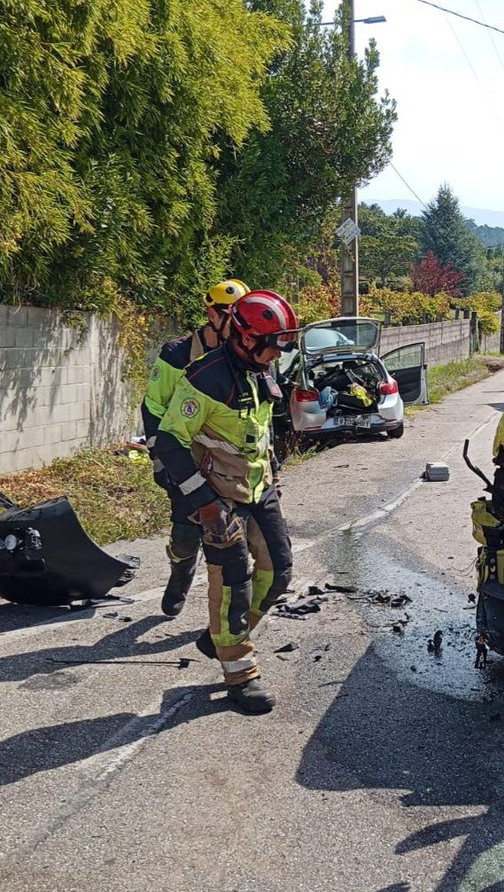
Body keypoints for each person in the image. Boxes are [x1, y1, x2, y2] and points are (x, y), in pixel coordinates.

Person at [156, 290, 299, 715]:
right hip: (217, 499)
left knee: (278, 573)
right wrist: (204, 502)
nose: (279, 351)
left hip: (259, 490)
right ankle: (240, 674)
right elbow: (170, 441)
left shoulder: (262, 371)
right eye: (274, 342)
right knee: (232, 585)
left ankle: (218, 637)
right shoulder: (206, 377)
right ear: (245, 338)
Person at [141, 279, 250, 617]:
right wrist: (160, 459)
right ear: (211, 314)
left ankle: (229, 616)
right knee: (186, 536)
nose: (236, 324)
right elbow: (153, 407)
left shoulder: (247, 355)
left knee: (235, 537)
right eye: (229, 315)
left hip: (229, 462)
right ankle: (181, 572)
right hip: (185, 459)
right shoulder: (177, 353)